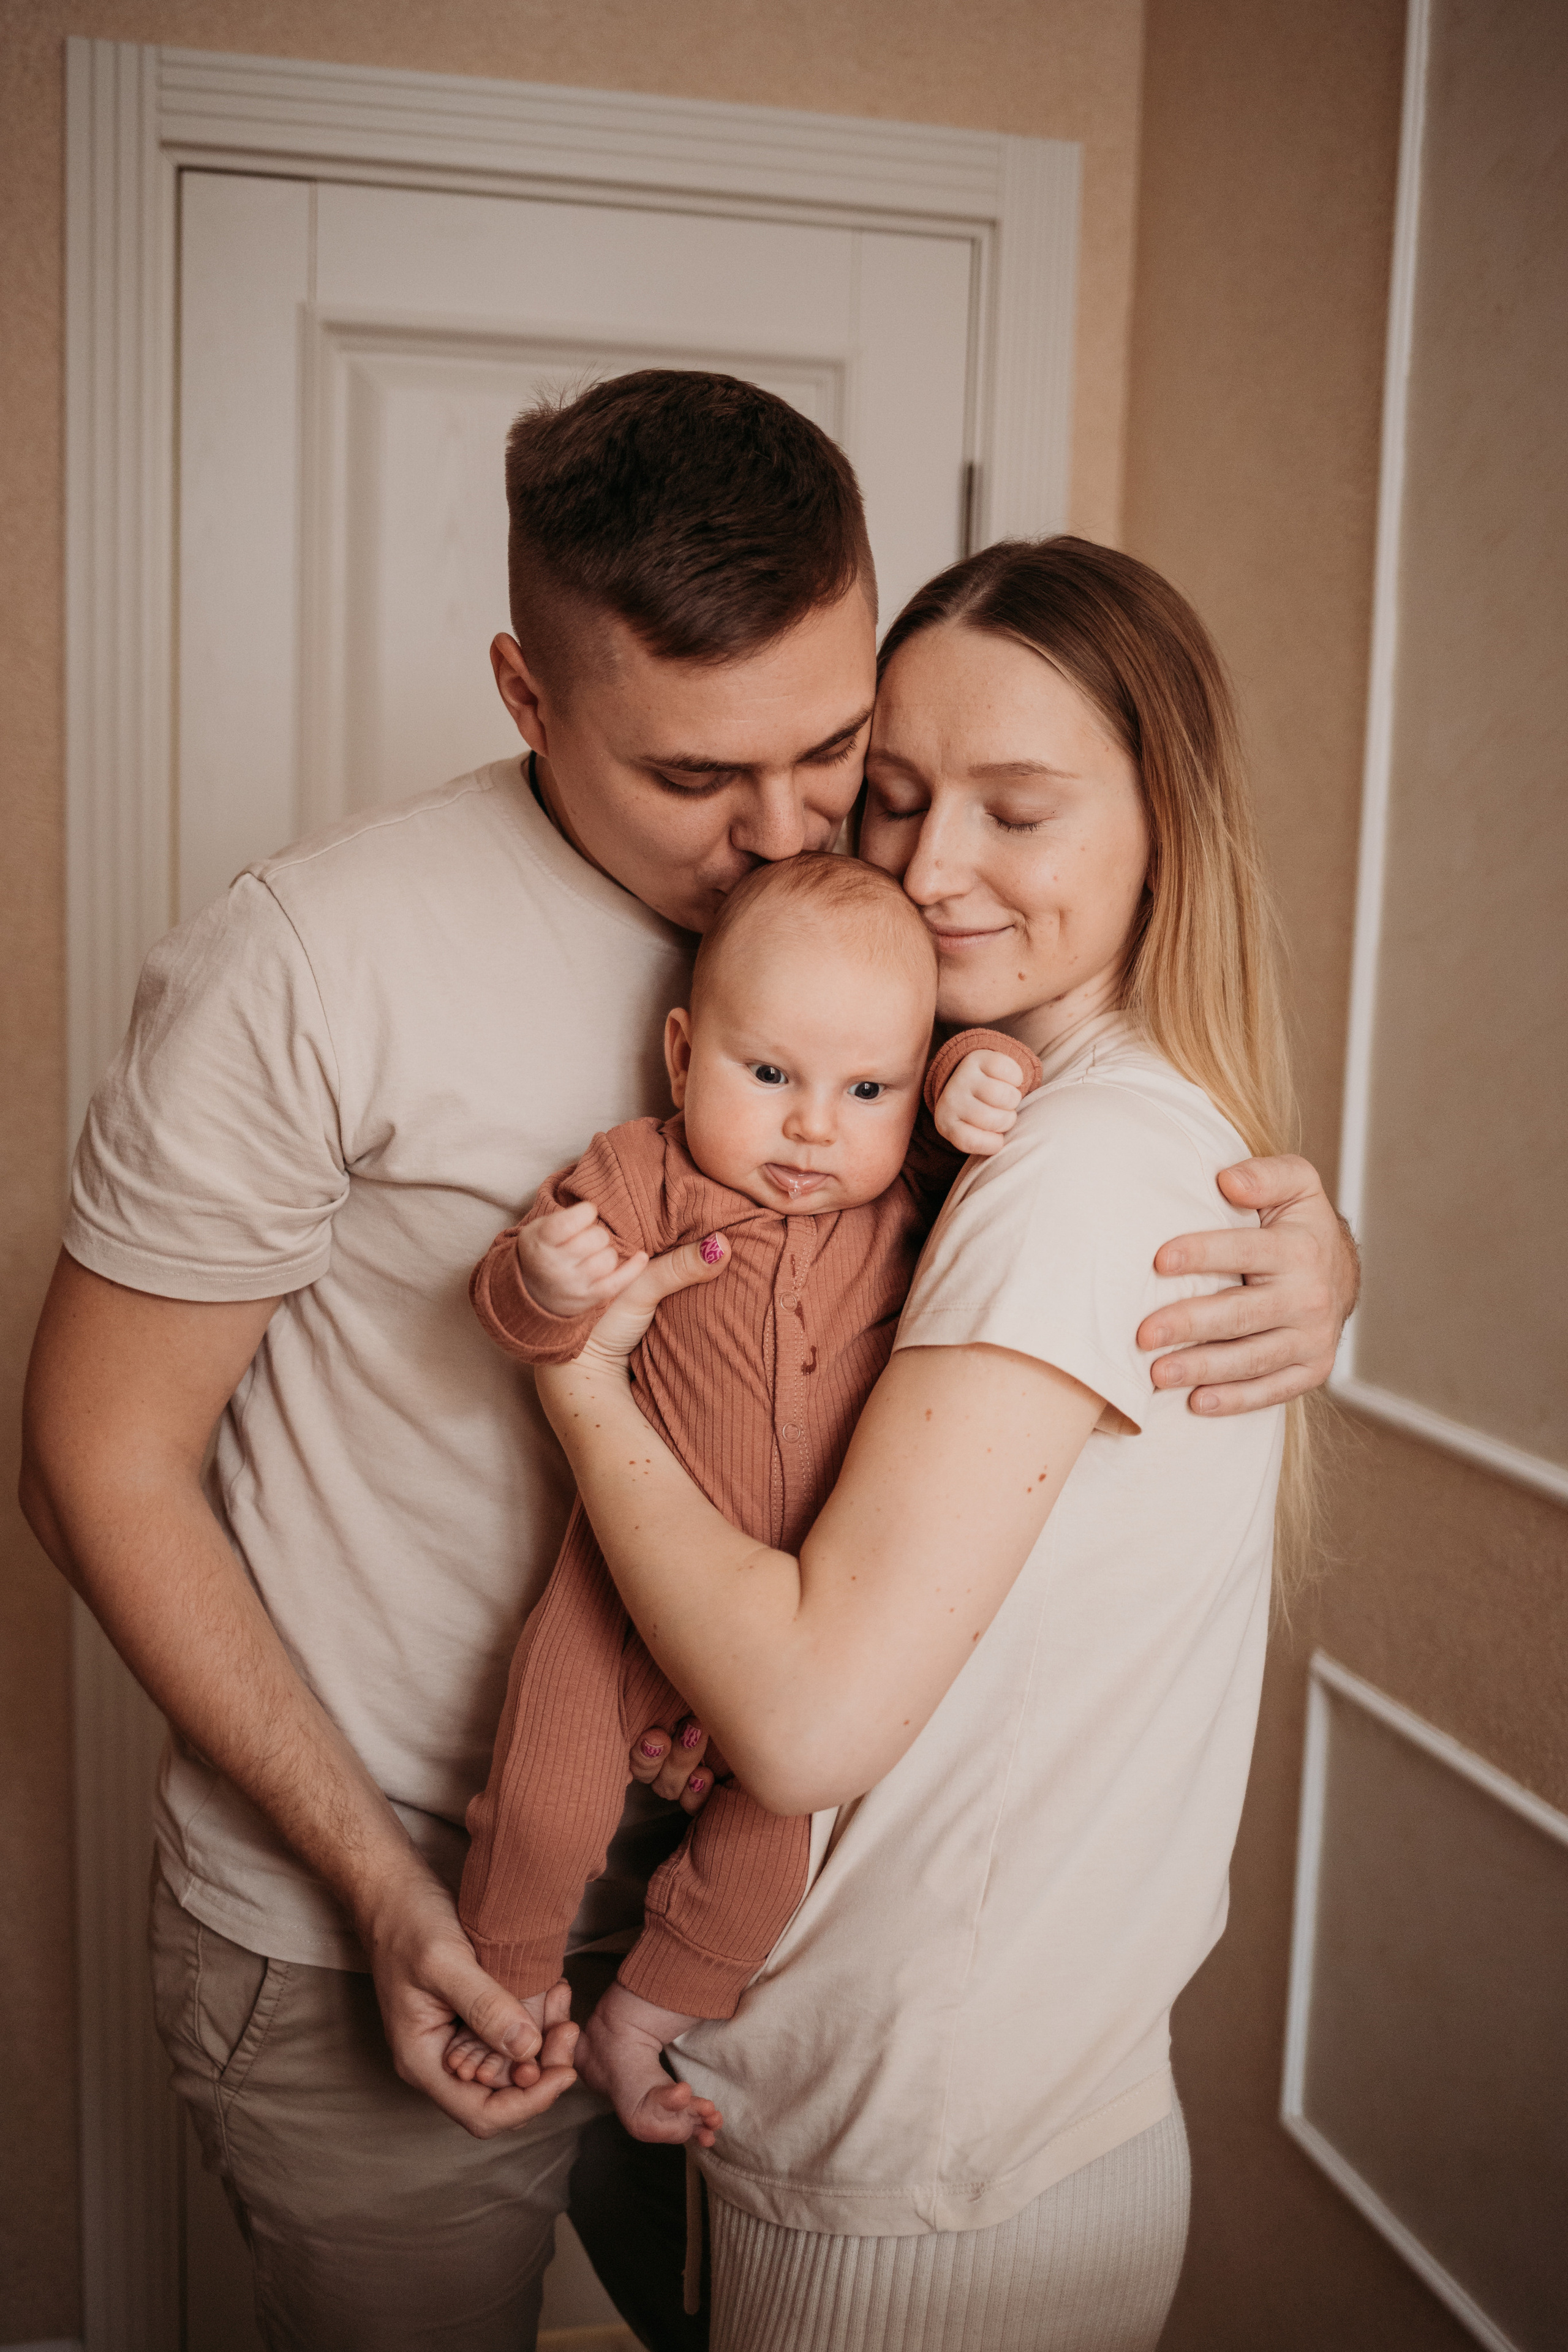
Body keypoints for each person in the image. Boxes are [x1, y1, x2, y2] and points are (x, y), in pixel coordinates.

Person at [18, 371, 1355, 2352]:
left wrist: (1316, 1258)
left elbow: (1077, 1135)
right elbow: (93, 1463)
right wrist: (384, 1891)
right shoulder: (313, 962)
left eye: (835, 754)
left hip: (727, 1922)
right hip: (385, 1916)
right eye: (697, 776)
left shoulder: (900, 933)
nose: (791, 834)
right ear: (526, 693)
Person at [523, 535, 1317, 2352]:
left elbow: (808, 1724)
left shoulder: (1078, 1173)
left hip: (925, 2185)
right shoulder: (1025, 1131)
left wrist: (580, 1389)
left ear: (1166, 825)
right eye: (893, 798)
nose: (930, 869)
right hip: (969, 2128)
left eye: (1015, 813)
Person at [447, 853, 1039, 2144]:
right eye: (768, 1074)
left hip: (795, 1617)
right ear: (682, 1056)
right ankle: (506, 1981)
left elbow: (984, 1105)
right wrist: (542, 1280)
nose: (814, 1128)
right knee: (543, 1798)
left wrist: (972, 1073)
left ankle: (636, 2023)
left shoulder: (907, 1196)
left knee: (769, 1851)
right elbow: (509, 1311)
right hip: (617, 1589)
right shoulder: (648, 1175)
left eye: (867, 1088)